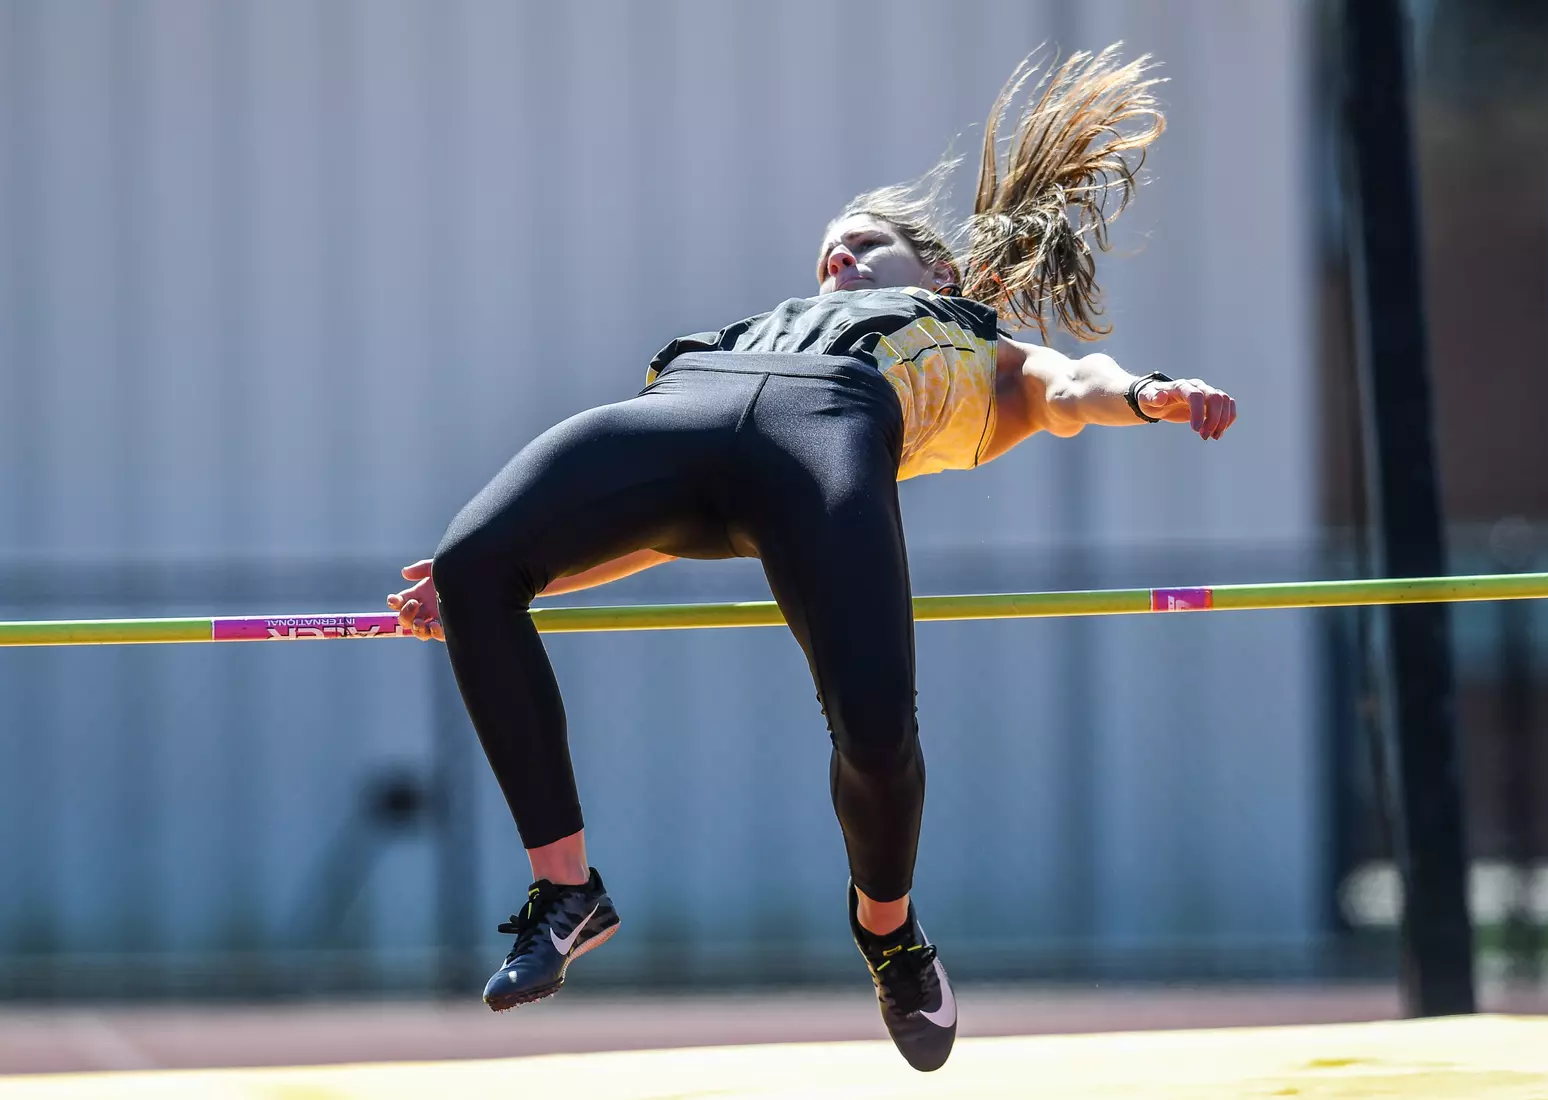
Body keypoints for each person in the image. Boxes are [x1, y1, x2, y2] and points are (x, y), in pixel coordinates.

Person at [387, 45, 1234, 1074]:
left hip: (825, 427)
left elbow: (1075, 385)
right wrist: (510, 585)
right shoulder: (753, 321)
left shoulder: (978, 349)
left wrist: (1146, 393)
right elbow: (646, 534)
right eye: (826, 249)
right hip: (687, 404)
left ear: (940, 273)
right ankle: (566, 888)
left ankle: (888, 930)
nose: (836, 257)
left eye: (863, 242)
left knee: (876, 733)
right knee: (471, 564)